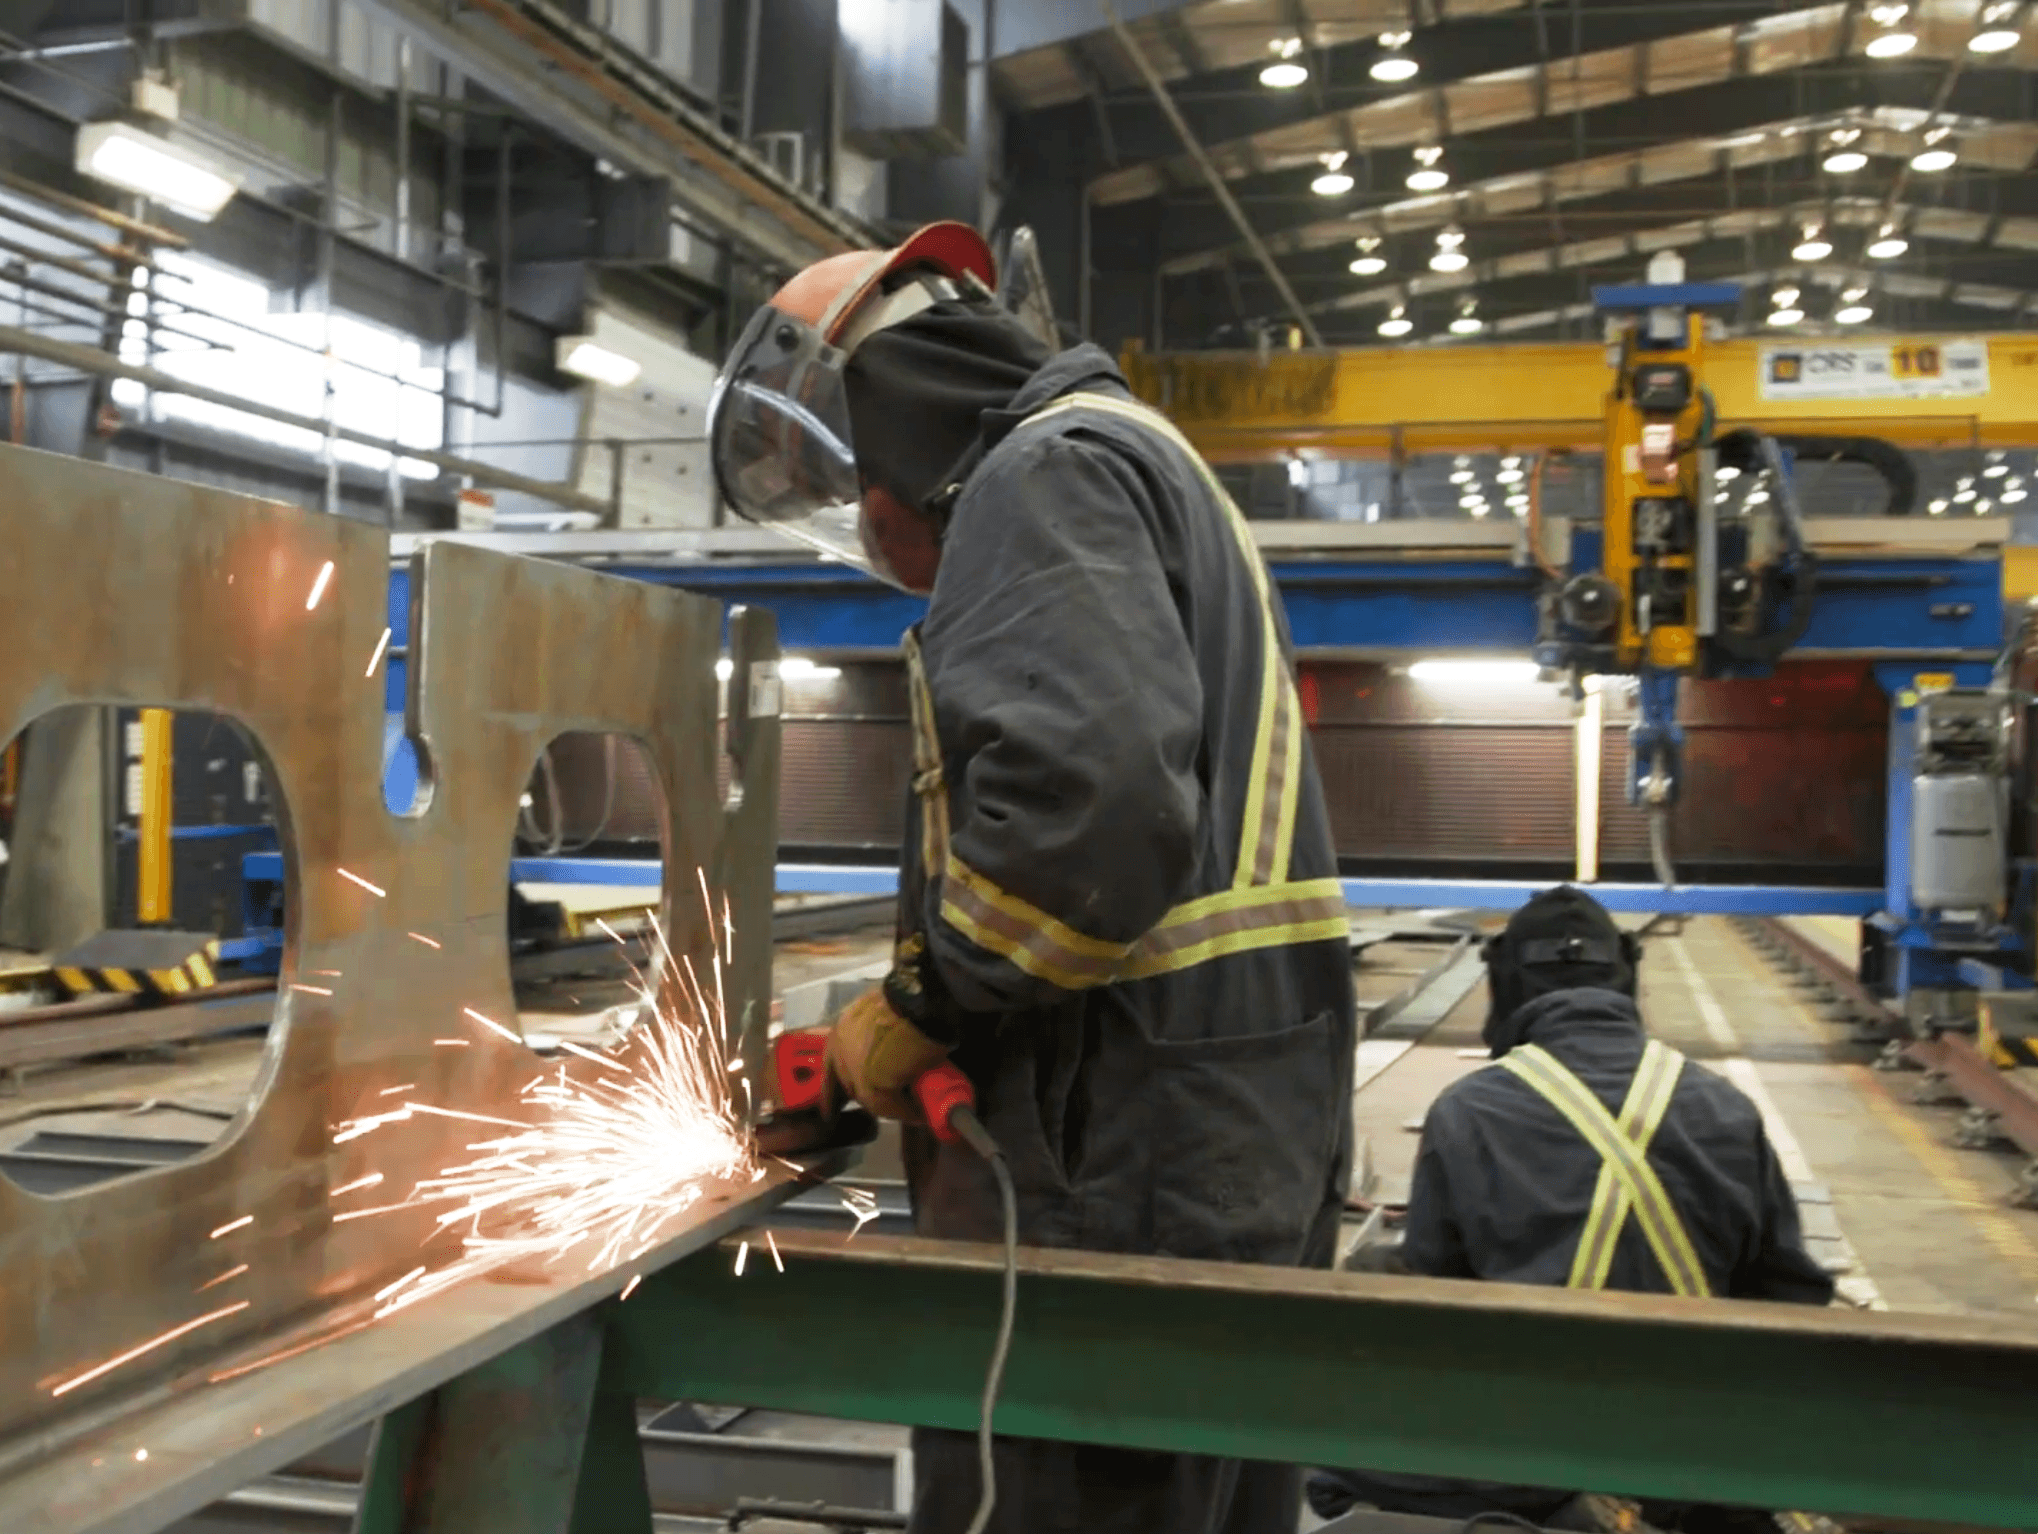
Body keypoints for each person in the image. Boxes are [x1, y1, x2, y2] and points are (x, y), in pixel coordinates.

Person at [711, 224, 1357, 1533]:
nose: (870, 535)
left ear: (894, 429)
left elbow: (1090, 819)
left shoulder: (1040, 478)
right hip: (1224, 1134)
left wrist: (925, 1004)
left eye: (852, 493)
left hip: (1120, 1162)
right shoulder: (1144, 463)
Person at [1312, 886, 1835, 1531]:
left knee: (1321, 1463)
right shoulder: (1723, 1105)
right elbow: (1794, 1291)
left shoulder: (1470, 1111)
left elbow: (1434, 1311)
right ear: (1626, 975)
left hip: (1536, 1456)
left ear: (1504, 985)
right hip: (1706, 1460)